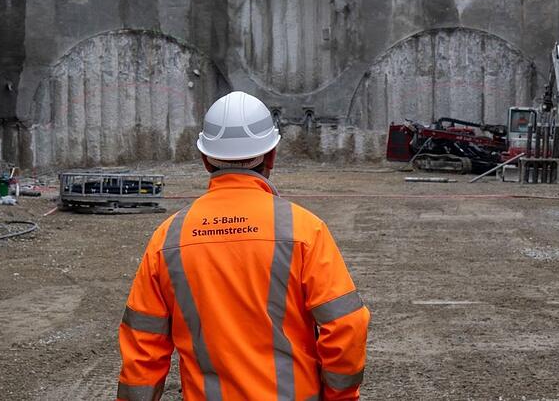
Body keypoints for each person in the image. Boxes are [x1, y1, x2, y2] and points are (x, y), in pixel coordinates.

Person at [117, 91, 370, 401]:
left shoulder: (168, 239)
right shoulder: (305, 230)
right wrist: (339, 397)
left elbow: (143, 347)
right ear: (272, 155)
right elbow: (346, 325)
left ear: (205, 160)